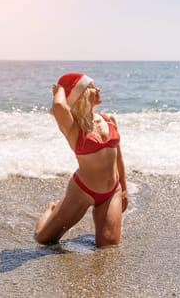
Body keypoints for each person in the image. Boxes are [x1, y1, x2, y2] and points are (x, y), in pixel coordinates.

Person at [35, 73, 128, 248]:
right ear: (81, 94)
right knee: (44, 239)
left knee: (108, 245)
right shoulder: (73, 128)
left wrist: (123, 188)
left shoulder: (108, 120)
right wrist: (60, 89)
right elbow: (58, 105)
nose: (98, 89)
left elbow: (119, 156)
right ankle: (51, 210)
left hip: (112, 192)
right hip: (82, 191)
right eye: (91, 86)